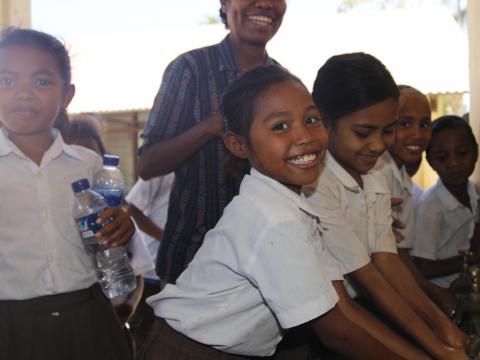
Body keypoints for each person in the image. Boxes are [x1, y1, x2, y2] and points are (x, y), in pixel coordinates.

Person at [137, 64, 429, 360]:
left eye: (311, 119)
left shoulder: (292, 205)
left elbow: (342, 308)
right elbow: (336, 331)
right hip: (188, 351)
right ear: (238, 144)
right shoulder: (272, 218)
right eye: (280, 126)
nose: (305, 136)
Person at [303, 53, 468, 360]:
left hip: (359, 306)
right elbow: (367, 276)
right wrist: (436, 350)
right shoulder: (317, 184)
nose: (379, 145)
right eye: (364, 133)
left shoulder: (374, 173)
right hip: (316, 330)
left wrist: (440, 325)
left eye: (387, 129)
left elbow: (387, 261)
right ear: (324, 122)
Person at [0, 28, 135, 360]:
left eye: (42, 82)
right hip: (10, 323)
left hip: (89, 315)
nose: (24, 94)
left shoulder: (89, 166)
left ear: (67, 96)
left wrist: (122, 225)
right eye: (7, 81)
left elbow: (115, 227)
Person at [138, 0, 286, 286]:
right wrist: (208, 127)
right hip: (194, 259)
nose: (266, 3)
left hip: (265, 260)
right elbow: (147, 165)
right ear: (225, 3)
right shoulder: (190, 70)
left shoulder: (283, 82)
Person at [375, 85, 458, 316]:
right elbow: (388, 258)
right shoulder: (378, 173)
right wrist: (431, 292)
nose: (417, 134)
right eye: (405, 123)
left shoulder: (402, 179)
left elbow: (400, 251)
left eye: (424, 124)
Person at [412, 115, 479, 288]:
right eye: (442, 158)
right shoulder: (430, 207)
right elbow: (423, 268)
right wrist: (472, 257)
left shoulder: (476, 193)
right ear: (430, 162)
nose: (454, 163)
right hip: (445, 293)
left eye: (462, 153)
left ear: (476, 152)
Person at [124, 173, 174, 352]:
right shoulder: (162, 168)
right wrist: (169, 239)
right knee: (144, 329)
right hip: (152, 264)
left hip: (179, 267)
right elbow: (132, 210)